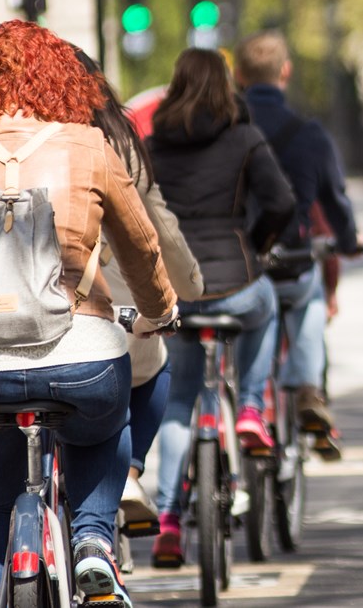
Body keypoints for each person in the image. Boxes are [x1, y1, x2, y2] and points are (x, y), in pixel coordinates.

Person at [0, 20, 178, 608]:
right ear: (63, 83)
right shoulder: (90, 147)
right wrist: (160, 310)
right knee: (107, 428)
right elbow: (141, 247)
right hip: (80, 357)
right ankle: (92, 544)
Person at [147, 47, 295, 566]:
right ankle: (252, 407)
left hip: (180, 292)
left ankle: (167, 520)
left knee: (180, 399)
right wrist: (254, 243)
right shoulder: (245, 138)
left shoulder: (152, 146)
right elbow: (280, 203)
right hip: (236, 282)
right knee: (267, 305)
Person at [71, 46, 206, 529]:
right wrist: (182, 292)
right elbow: (155, 227)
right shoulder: (116, 140)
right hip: (106, 306)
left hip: (10, 316)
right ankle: (127, 472)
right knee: (151, 374)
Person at [234, 30, 363, 454]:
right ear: (285, 72)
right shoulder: (308, 133)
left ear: (238, 75)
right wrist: (347, 240)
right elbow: (334, 200)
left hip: (235, 266)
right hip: (290, 260)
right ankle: (308, 388)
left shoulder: (227, 129)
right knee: (308, 295)